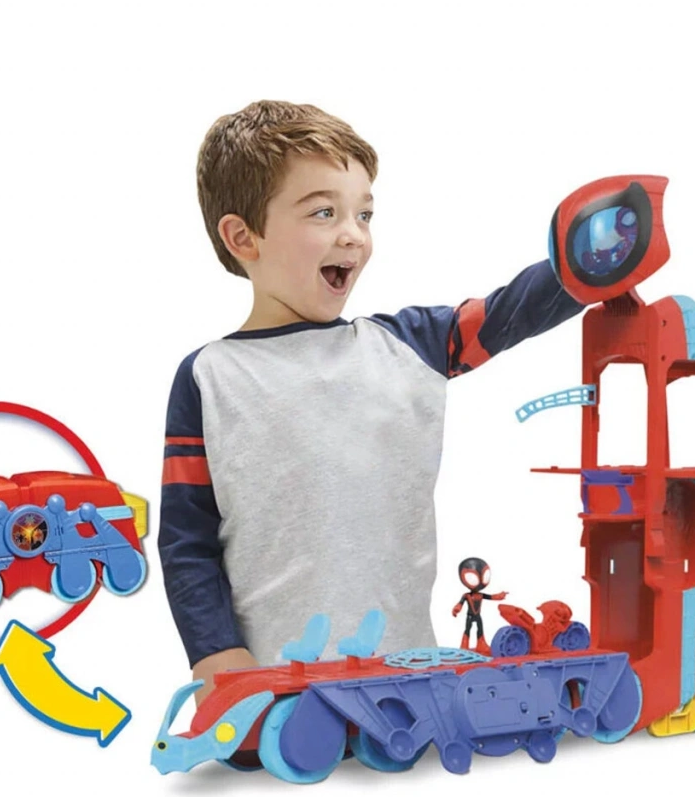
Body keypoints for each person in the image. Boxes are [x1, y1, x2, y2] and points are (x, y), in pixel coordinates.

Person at [159, 100, 582, 700]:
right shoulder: (209, 377)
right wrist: (214, 652)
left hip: (411, 684)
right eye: (324, 212)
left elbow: (511, 309)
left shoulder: (408, 345)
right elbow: (187, 541)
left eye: (364, 213)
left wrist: (589, 263)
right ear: (243, 236)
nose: (353, 234)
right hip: (275, 692)